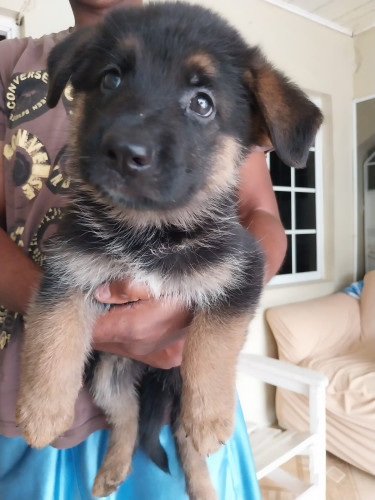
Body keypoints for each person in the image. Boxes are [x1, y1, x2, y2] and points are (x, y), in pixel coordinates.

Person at [0, 1, 287, 499]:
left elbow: (261, 222)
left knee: (190, 433)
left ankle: (196, 475)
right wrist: (86, 321)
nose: (132, 137)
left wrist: (202, 332)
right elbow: (64, 286)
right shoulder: (11, 62)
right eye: (111, 81)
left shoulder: (223, 59)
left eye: (200, 103)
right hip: (25, 392)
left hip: (194, 379)